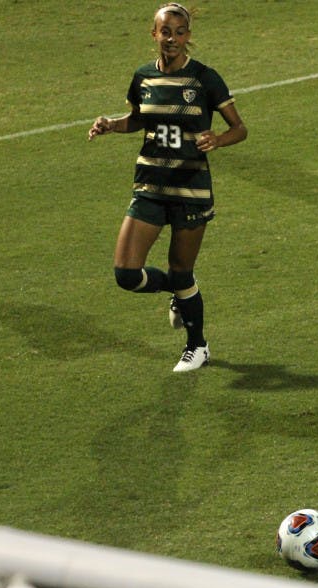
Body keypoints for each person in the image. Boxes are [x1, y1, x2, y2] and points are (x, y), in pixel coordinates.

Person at [88, 3, 247, 372]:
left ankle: (197, 346)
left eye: (178, 32)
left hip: (191, 191)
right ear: (154, 34)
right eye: (165, 31)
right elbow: (137, 119)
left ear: (188, 36)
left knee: (181, 271)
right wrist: (112, 124)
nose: (171, 38)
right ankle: (177, 291)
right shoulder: (143, 77)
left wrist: (218, 139)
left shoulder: (205, 79)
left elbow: (240, 128)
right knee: (126, 274)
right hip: (149, 186)